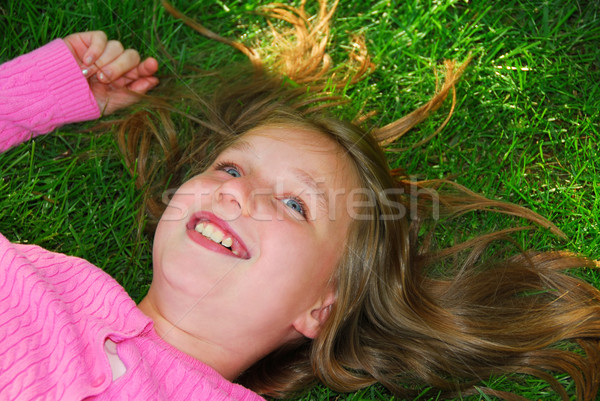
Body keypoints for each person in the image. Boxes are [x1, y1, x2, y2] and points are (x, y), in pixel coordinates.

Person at [2, 3, 600, 401]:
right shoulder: (30, 278)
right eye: (231, 168)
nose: (238, 190)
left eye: (295, 206)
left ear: (322, 306)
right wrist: (36, 95)